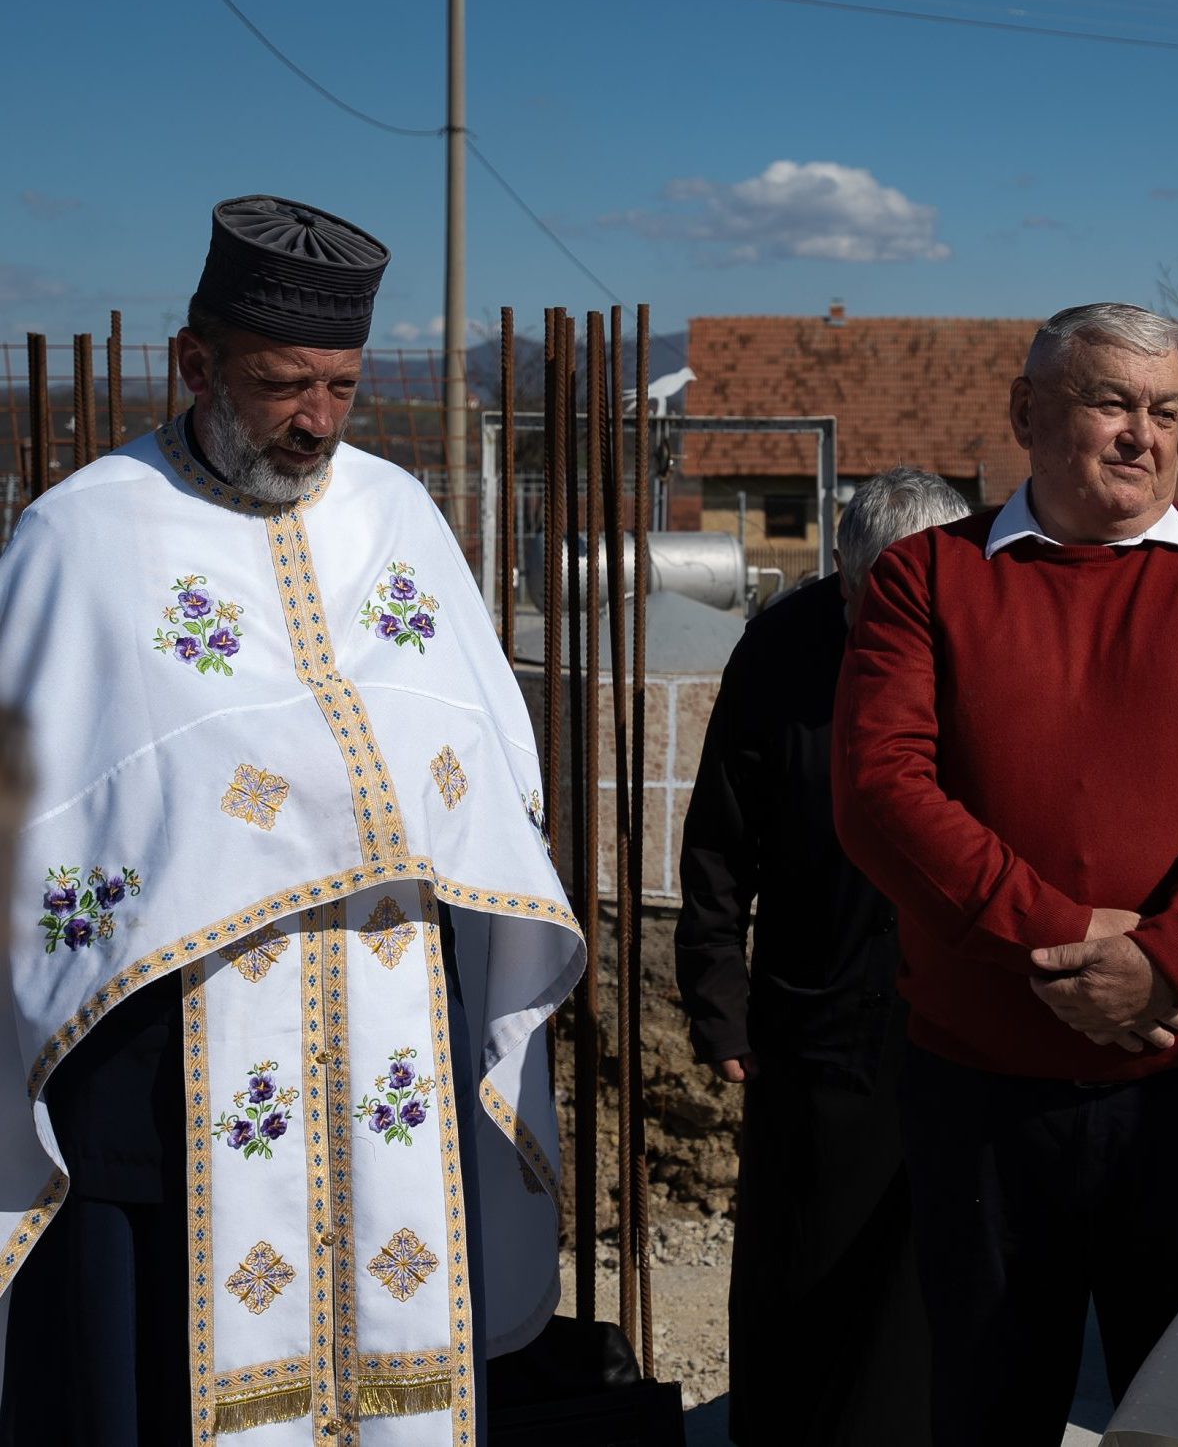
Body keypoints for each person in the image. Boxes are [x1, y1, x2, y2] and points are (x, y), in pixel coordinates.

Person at [0, 196, 584, 1445]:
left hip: (392, 1031)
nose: (317, 420)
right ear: (195, 363)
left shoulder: (397, 516)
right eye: (281, 386)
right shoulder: (81, 534)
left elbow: (476, 742)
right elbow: (41, 805)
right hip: (167, 1049)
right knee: (148, 1366)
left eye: (341, 386)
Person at [832, 304, 1178, 1447]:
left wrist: (1164, 964)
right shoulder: (927, 579)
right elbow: (880, 794)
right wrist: (1059, 940)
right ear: (1026, 413)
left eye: (1166, 412)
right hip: (989, 1089)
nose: (1141, 437)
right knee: (991, 1401)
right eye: (1111, 403)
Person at [675, 466, 970, 1447]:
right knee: (800, 1276)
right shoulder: (783, 647)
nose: (874, 621)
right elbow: (721, 837)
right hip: (817, 1014)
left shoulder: (994, 640)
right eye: (857, 596)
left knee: (934, 1288)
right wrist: (716, 995)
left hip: (962, 1017)